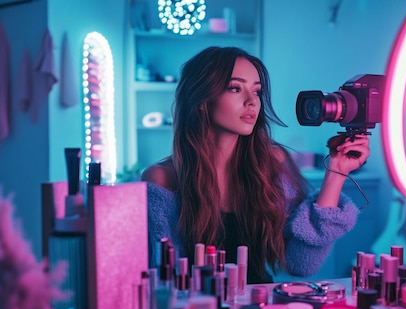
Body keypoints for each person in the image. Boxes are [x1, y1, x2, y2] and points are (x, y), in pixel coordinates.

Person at [141, 46, 370, 284]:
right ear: (201, 100)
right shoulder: (162, 180)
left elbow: (301, 264)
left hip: (259, 306)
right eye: (235, 88)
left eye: (257, 91)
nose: (252, 102)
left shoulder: (271, 163)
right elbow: (164, 279)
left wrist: (337, 171)